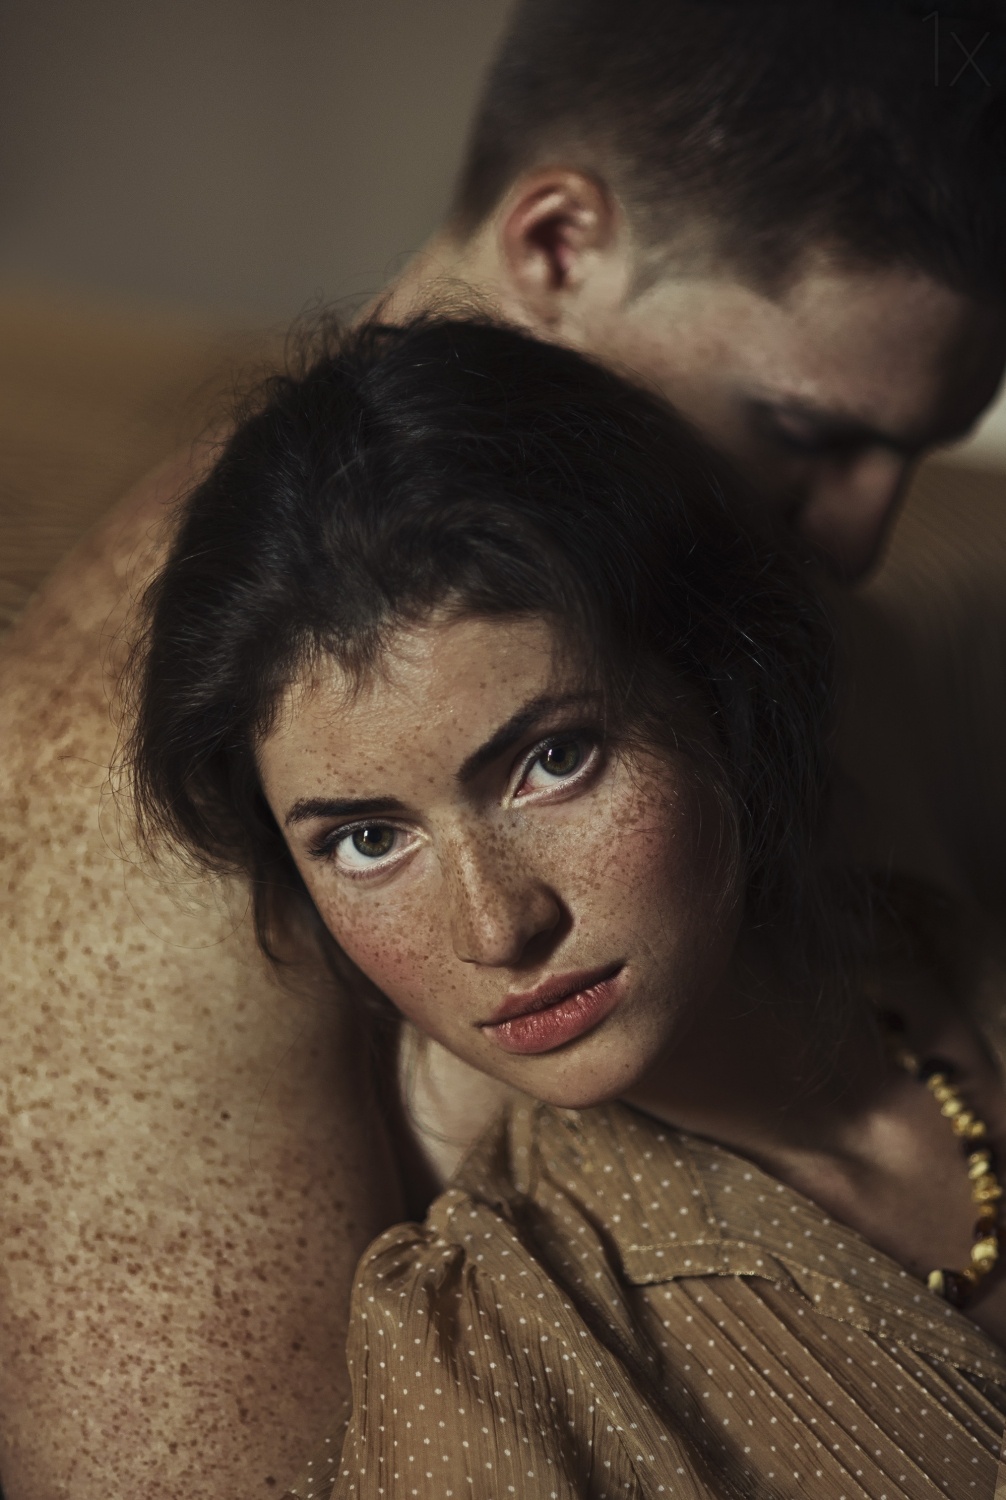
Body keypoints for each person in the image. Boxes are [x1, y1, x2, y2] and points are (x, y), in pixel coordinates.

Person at [1, 2, 1005, 1494]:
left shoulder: (739, 580)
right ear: (554, 244)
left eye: (908, 447)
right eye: (803, 429)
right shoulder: (129, 782)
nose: (856, 541)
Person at [128, 313, 1006, 1499]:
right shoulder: (497, 1363)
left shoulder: (951, 954)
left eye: (552, 761)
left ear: (720, 692)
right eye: (368, 840)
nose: (499, 929)